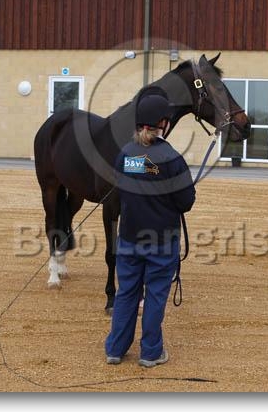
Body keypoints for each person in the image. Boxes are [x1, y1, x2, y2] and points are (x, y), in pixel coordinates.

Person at [105, 86, 196, 367]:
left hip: (129, 239)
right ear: (163, 124)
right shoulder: (172, 158)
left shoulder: (125, 154)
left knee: (126, 293)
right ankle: (150, 352)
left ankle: (115, 349)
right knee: (155, 296)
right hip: (161, 242)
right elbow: (186, 202)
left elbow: (120, 187)